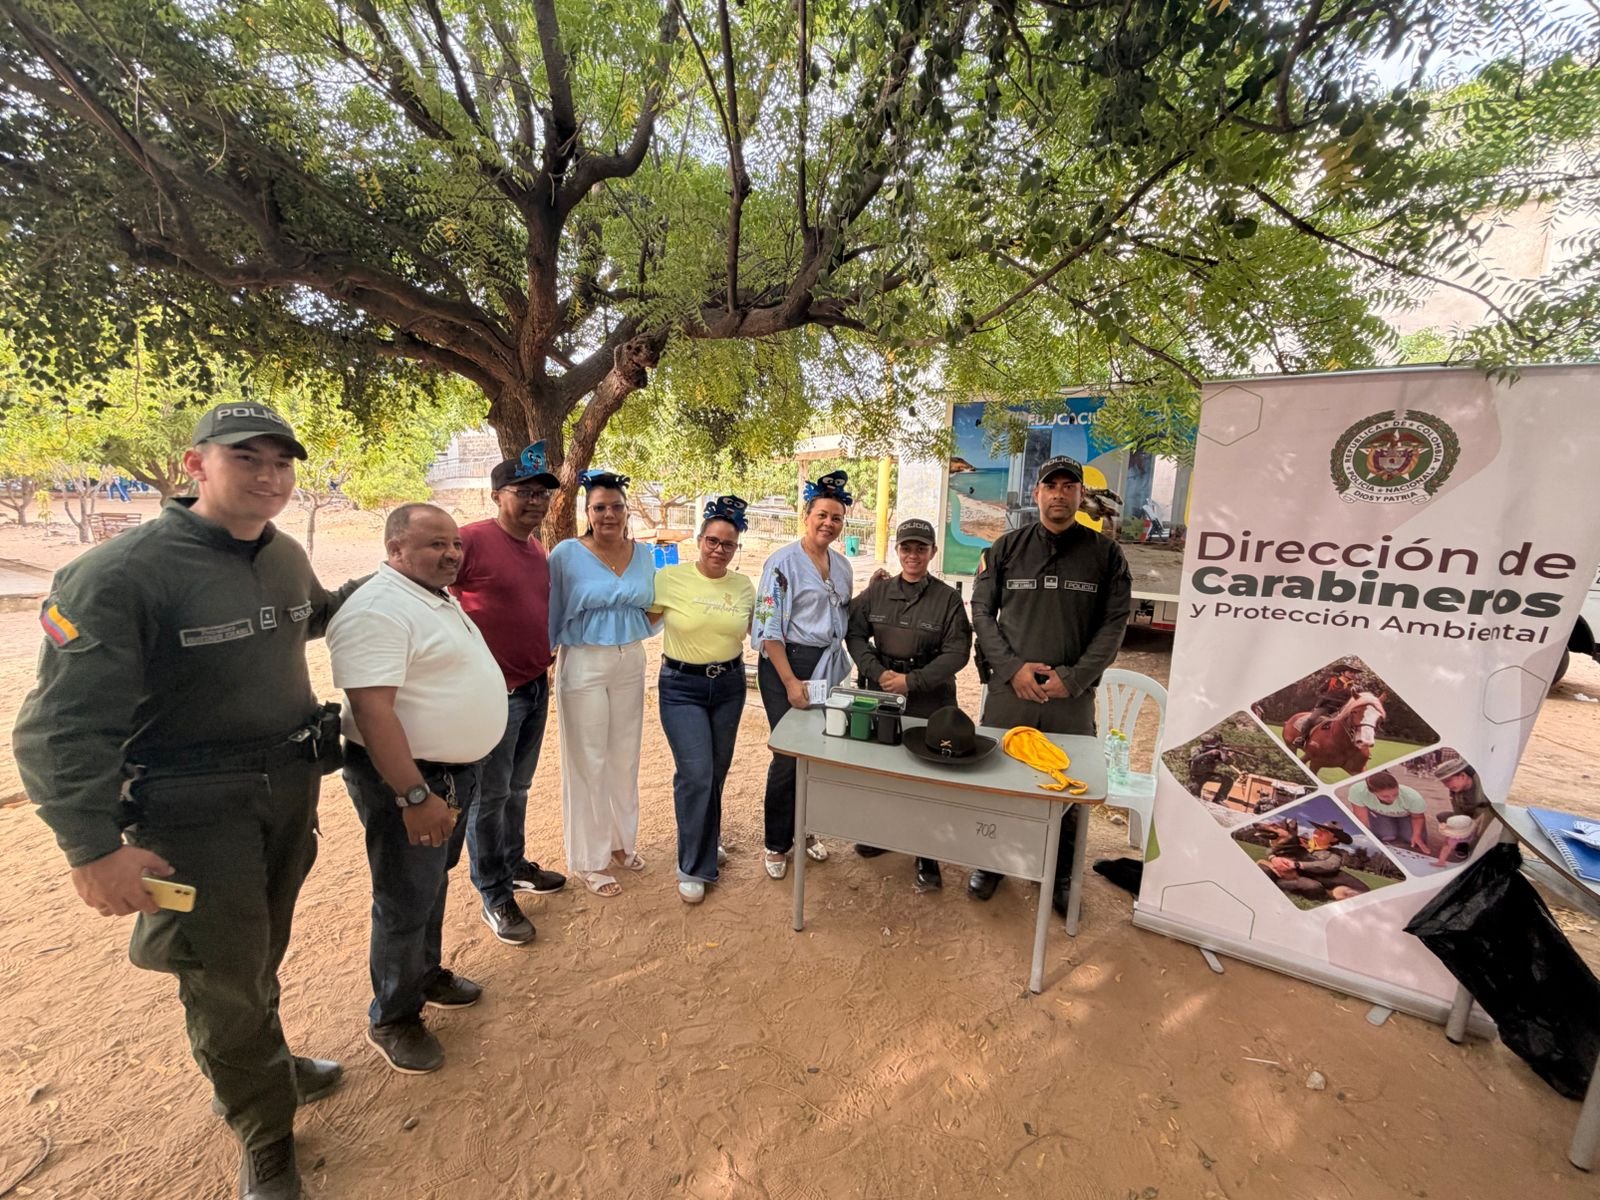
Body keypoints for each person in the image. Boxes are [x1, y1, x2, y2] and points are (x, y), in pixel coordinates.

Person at [12, 402, 362, 1200]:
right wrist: (92, 848)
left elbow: (315, 615)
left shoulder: (283, 555)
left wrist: (414, 578)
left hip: (287, 795)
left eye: (281, 462)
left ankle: (263, 1069)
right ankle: (263, 1129)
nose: (270, 477)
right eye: (248, 459)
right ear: (196, 464)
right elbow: (60, 727)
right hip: (191, 819)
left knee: (259, 949)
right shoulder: (119, 574)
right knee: (219, 970)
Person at [328, 503, 507, 1076]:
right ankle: (394, 1017)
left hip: (449, 776)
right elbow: (372, 711)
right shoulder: (379, 608)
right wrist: (412, 796)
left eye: (455, 543)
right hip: (412, 782)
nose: (452, 553)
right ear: (396, 549)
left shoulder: (429, 597)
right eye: (435, 545)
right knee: (404, 897)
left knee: (430, 885)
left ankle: (424, 976)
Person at [968, 454, 1132, 911]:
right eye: (1051, 485)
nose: (1059, 493)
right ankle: (992, 861)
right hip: (1010, 690)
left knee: (1068, 784)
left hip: (1069, 698)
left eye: (1069, 486)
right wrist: (1011, 669)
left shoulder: (1106, 556)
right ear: (1037, 494)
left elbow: (1114, 624)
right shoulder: (1006, 548)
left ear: (1082, 496)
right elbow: (982, 612)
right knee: (998, 774)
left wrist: (1073, 679)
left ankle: (1060, 876)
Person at [452, 443, 567, 948]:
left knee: (517, 790)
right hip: (494, 696)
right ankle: (494, 893)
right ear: (497, 494)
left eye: (542, 493)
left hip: (535, 687)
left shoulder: (535, 547)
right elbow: (427, 591)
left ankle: (515, 864)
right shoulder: (470, 540)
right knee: (489, 797)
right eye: (524, 491)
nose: (535, 501)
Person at [845, 517, 972, 890]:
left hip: (929, 699)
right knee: (883, 768)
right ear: (897, 551)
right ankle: (883, 834)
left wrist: (911, 681)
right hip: (882, 692)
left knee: (926, 775)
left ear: (932, 552)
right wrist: (875, 670)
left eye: (921, 547)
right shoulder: (878, 593)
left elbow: (958, 652)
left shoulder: (947, 599)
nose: (913, 554)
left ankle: (926, 854)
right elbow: (854, 633)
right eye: (906, 547)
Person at [548, 470, 655, 897]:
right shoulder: (566, 554)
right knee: (587, 760)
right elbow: (552, 611)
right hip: (585, 660)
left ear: (627, 511)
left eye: (616, 506)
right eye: (598, 507)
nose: (608, 514)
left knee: (624, 756)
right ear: (586, 512)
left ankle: (620, 843)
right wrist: (546, 657)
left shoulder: (645, 554)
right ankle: (590, 860)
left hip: (631, 658)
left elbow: (657, 603)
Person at [649, 496, 757, 904]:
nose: (719, 550)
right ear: (699, 540)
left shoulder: (743, 585)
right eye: (712, 541)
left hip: (729, 685)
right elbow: (642, 620)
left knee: (716, 771)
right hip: (681, 687)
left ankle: (707, 842)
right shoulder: (670, 579)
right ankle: (692, 865)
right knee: (694, 773)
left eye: (727, 544)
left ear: (736, 548)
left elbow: (757, 628)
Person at [752, 470, 855, 880]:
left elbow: (841, 613)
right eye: (822, 515)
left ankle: (806, 828)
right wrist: (791, 681)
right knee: (789, 753)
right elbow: (767, 629)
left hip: (825, 667)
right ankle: (777, 842)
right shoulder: (781, 564)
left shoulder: (843, 565)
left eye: (837, 518)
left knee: (819, 752)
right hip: (786, 666)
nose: (829, 523)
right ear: (806, 515)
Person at [1347, 770, 1430, 852]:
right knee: (1386, 836)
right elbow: (1361, 818)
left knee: (1412, 839)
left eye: (1395, 794)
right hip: (1380, 813)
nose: (1392, 799)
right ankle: (1388, 826)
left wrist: (1417, 835)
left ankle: (1400, 827)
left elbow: (1418, 818)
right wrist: (1364, 837)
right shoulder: (1358, 791)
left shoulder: (1412, 797)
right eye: (1385, 796)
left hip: (1406, 815)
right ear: (1373, 792)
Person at [1432, 755, 1491, 862]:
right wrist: (1460, 827)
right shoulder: (1455, 791)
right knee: (1443, 817)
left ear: (1463, 776)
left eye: (1448, 781)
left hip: (1484, 818)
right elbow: (1458, 812)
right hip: (1468, 818)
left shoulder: (1486, 787)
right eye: (1444, 783)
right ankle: (1462, 846)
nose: (1446, 786)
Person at [1288, 668, 1358, 750]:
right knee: (1311, 719)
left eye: (1354, 673)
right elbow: (1320, 691)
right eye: (1350, 672)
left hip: (1341, 710)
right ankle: (1302, 738)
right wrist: (1325, 698)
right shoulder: (1332, 681)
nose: (1353, 674)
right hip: (1326, 707)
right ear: (1342, 672)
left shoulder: (1355, 687)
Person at [1187, 733, 1239, 803]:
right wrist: (1209, 753)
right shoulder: (1196, 749)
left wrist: (1224, 754)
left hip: (1208, 775)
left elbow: (1228, 762)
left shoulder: (1216, 752)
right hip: (1197, 776)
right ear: (1204, 743)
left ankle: (1219, 799)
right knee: (1195, 798)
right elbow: (1195, 759)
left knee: (1228, 780)